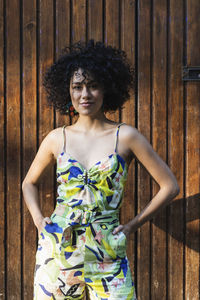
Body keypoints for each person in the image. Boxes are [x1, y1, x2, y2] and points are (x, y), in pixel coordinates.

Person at [22, 40, 179, 300]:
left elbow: (170, 186)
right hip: (58, 248)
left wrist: (131, 226)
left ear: (107, 88)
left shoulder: (126, 136)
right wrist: (40, 221)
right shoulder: (56, 138)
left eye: (93, 86)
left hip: (108, 250)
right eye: (78, 87)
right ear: (68, 91)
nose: (85, 94)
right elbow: (28, 183)